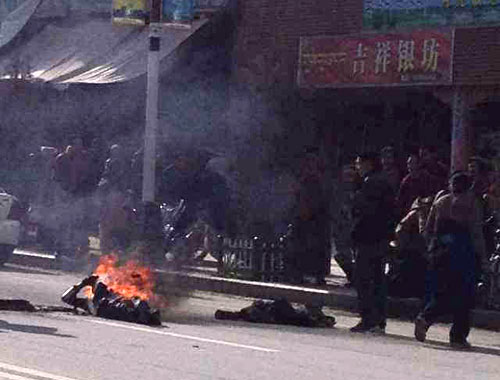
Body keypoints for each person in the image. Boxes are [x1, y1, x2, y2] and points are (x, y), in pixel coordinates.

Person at [415, 171, 486, 349]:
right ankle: (458, 336)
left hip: (440, 253)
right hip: (463, 254)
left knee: (442, 291)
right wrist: (482, 258)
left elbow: (428, 228)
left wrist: (431, 248)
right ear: (469, 186)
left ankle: (426, 316)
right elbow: (476, 232)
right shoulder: (471, 204)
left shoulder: (441, 201)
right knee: (465, 296)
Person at [350, 152, 395, 333]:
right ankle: (378, 319)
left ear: (368, 164)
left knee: (365, 279)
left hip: (369, 238)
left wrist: (355, 233)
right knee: (377, 280)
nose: (357, 167)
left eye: (359, 163)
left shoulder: (371, 184)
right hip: (380, 238)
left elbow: (366, 213)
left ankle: (369, 318)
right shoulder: (382, 182)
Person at [286, 148, 330, 285]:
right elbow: (296, 197)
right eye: (308, 161)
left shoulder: (320, 180)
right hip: (302, 218)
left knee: (316, 249)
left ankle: (318, 276)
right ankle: (299, 275)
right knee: (300, 248)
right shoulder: (302, 179)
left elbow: (323, 199)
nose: (310, 165)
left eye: (313, 161)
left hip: (316, 219)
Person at [396, 153, 435, 219]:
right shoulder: (406, 181)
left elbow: (432, 195)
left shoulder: (427, 178)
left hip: (424, 211)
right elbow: (400, 199)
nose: (409, 166)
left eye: (412, 163)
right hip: (410, 213)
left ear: (418, 164)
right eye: (408, 164)